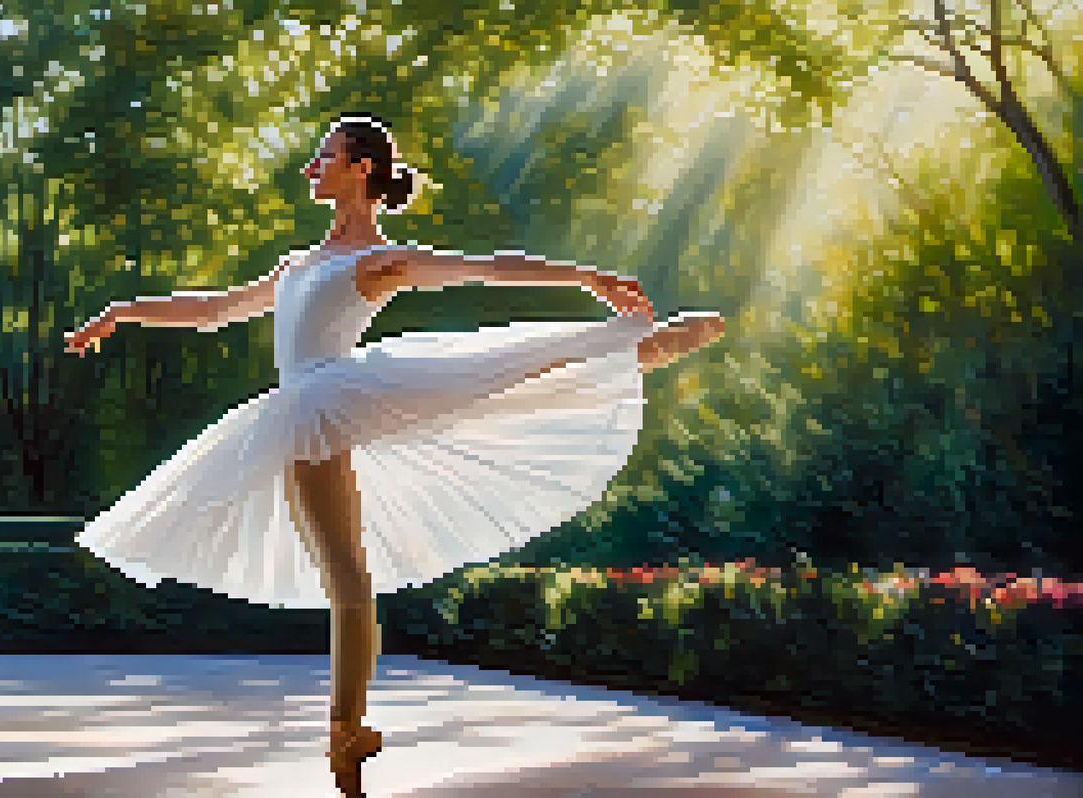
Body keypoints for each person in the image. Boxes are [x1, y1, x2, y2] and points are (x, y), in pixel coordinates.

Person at [64, 113, 725, 796]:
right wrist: (124, 311)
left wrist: (587, 277)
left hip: (330, 398)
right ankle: (346, 736)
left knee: (481, 392)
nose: (308, 169)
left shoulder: (377, 263)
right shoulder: (297, 264)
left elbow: (488, 269)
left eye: (323, 157)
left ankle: (344, 736)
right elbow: (214, 309)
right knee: (349, 575)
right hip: (314, 405)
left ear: (361, 168)